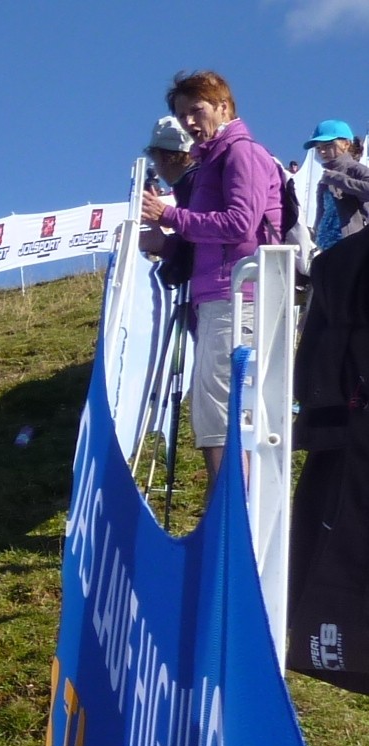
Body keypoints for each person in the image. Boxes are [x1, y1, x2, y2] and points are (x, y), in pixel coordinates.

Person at [138, 70, 283, 489]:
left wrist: (168, 216)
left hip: (237, 297)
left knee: (221, 417)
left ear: (224, 107)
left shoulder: (241, 153)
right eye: (182, 115)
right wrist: (168, 241)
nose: (188, 122)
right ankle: (234, 516)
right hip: (222, 297)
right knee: (217, 414)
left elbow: (239, 224)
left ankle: (230, 520)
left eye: (196, 110)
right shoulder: (215, 160)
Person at [138, 115, 197, 286]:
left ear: (162, 157)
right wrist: (162, 244)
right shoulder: (191, 183)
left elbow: (200, 247)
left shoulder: (192, 183)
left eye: (154, 159)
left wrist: (164, 214)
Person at [304, 120, 369, 254]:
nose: (322, 151)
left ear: (346, 144)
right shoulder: (325, 179)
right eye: (318, 148)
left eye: (328, 146)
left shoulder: (356, 169)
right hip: (324, 249)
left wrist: (338, 179)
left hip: (352, 248)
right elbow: (321, 214)